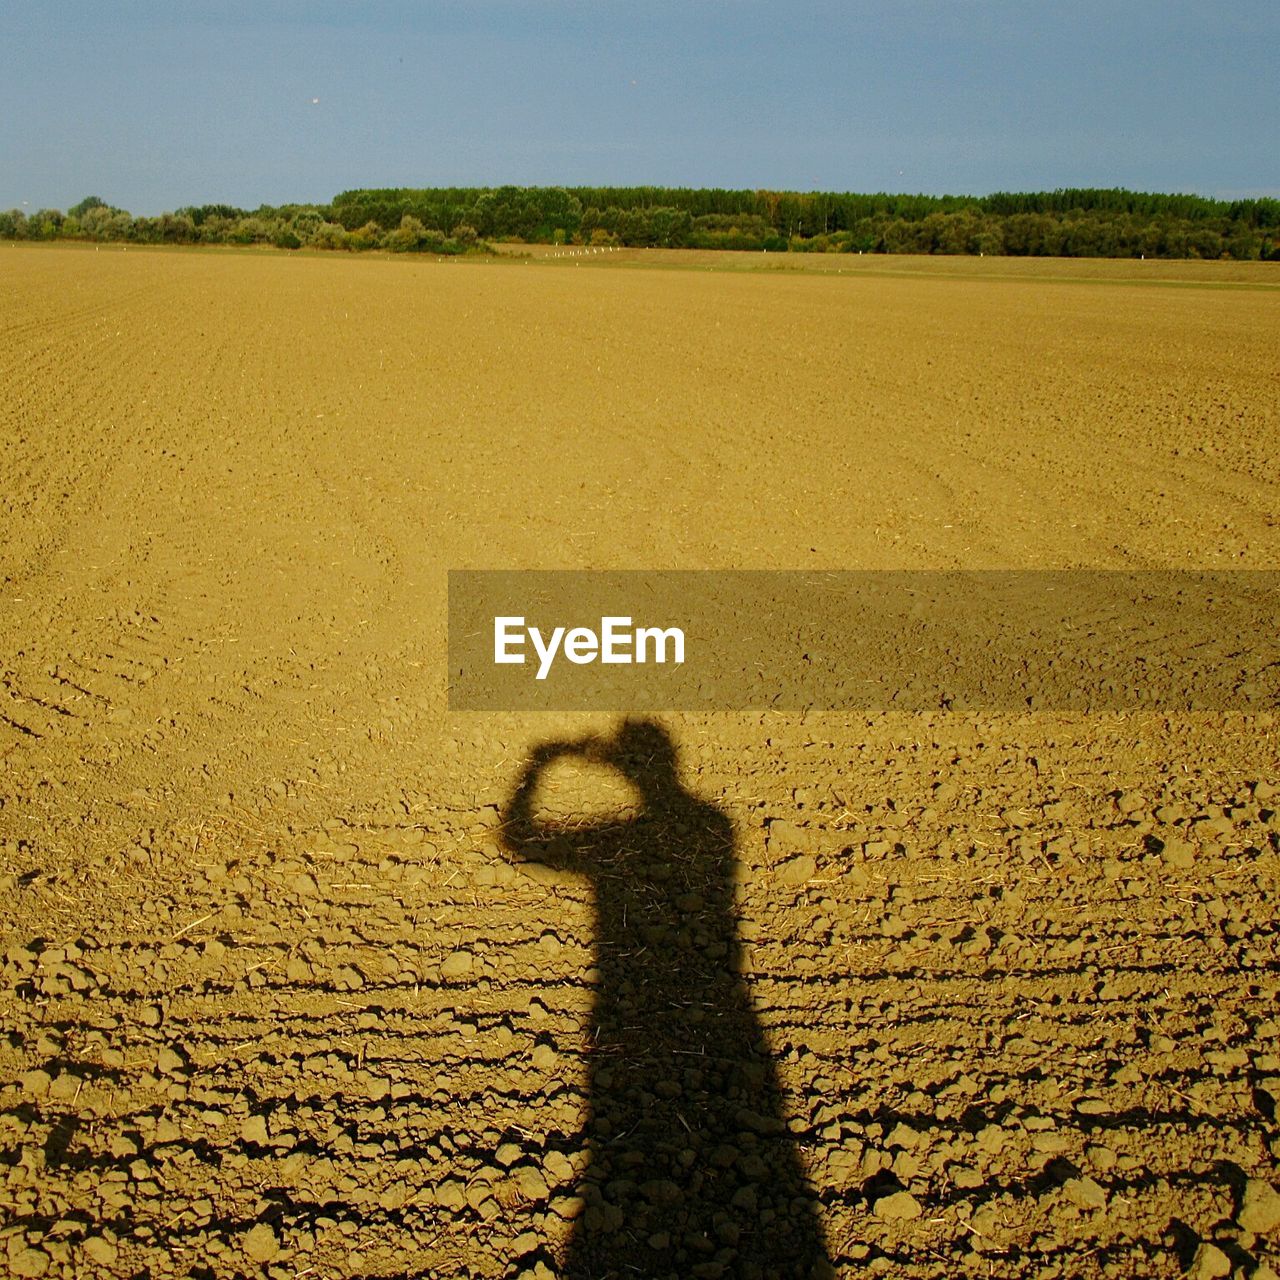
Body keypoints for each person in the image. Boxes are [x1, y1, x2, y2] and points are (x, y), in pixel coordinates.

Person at [501, 719, 829, 1279]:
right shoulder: (712, 823)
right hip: (724, 1005)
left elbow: (520, 840)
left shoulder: (619, 837)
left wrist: (541, 763)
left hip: (621, 1014)